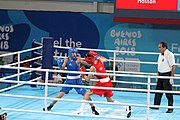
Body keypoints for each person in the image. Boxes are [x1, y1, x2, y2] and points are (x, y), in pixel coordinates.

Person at [43, 48, 99, 115]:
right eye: (73, 53)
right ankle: (50, 106)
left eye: (75, 53)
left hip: (77, 81)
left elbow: (87, 63)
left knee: (86, 94)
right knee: (60, 94)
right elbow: (62, 69)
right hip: (69, 80)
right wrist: (60, 64)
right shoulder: (66, 60)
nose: (75, 54)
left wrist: (93, 60)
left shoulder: (78, 60)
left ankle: (93, 109)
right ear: (70, 53)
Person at [81, 51, 131, 118]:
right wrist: (98, 56)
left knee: (87, 94)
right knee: (110, 100)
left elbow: (87, 80)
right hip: (108, 81)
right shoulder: (100, 60)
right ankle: (126, 106)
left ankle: (81, 111)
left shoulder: (92, 68)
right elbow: (106, 59)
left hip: (102, 83)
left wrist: (83, 74)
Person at [151, 42, 175, 113]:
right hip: (160, 75)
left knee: (168, 92)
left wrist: (171, 77)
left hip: (166, 75)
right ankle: (156, 106)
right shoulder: (160, 55)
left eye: (160, 47)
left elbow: (173, 66)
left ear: (164, 47)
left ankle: (170, 107)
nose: (159, 49)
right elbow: (160, 65)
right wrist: (157, 73)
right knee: (158, 91)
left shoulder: (169, 54)